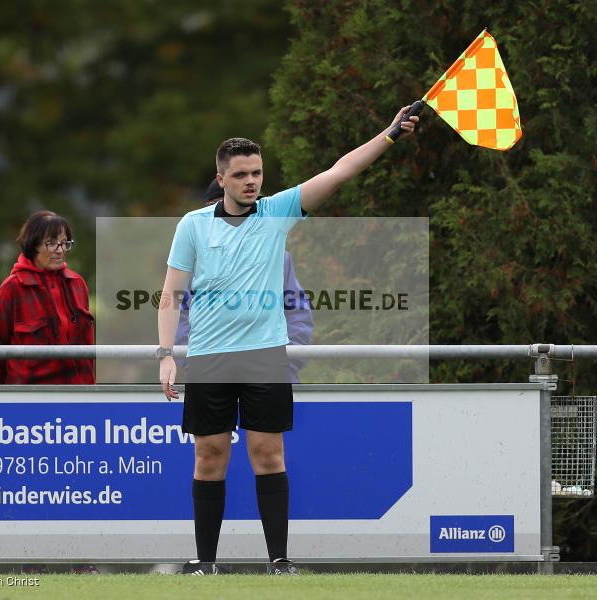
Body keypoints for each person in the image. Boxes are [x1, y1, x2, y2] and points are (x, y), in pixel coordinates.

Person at [156, 107, 418, 575]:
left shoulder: (277, 212)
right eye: (240, 175)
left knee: (268, 453)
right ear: (221, 178)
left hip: (264, 358)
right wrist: (167, 356)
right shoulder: (193, 225)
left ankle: (279, 560)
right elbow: (170, 297)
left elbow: (341, 170)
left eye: (256, 172)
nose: (250, 181)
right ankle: (205, 565)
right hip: (210, 359)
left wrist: (389, 134)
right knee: (209, 455)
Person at [0, 210, 97, 574]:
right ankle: (34, 561)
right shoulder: (9, 291)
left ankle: (82, 562)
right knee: (35, 483)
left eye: (66, 242)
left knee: (77, 483)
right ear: (33, 245)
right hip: (29, 404)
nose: (61, 250)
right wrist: (10, 392)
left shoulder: (77, 283)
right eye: (52, 243)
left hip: (77, 401)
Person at [174, 179, 313, 383]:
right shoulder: (194, 261)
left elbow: (298, 315)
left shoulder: (280, 259)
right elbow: (180, 318)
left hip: (271, 379)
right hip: (212, 380)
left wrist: (284, 364)